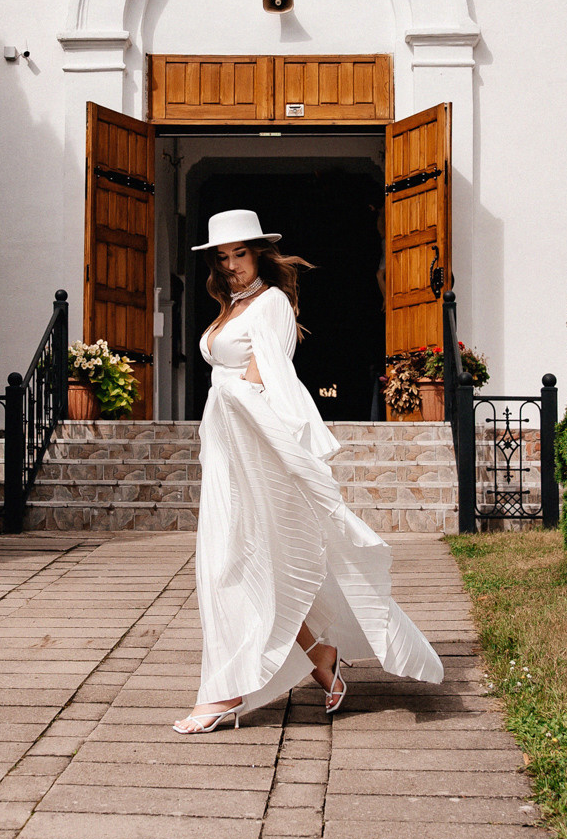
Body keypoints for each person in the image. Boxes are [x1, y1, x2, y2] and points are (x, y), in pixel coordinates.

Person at [173, 209, 444, 734]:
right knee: (242, 560)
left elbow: (263, 383)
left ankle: (225, 692)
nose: (232, 265)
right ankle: (321, 658)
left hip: (255, 448)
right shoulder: (229, 307)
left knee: (241, 560)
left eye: (241, 254)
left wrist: (280, 453)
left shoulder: (271, 302)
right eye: (223, 257)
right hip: (228, 449)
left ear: (260, 255)